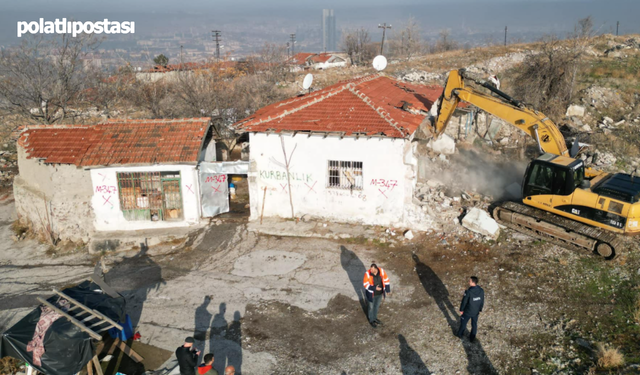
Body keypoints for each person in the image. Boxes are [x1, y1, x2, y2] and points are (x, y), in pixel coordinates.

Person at [362, 262, 391, 328]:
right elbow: (365, 284)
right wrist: (375, 288)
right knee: (371, 307)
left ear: (376, 269)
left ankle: (375, 318)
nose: (370, 270)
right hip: (371, 294)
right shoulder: (367, 274)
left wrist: (387, 290)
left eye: (372, 269)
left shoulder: (382, 271)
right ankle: (371, 320)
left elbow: (386, 280)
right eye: (370, 269)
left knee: (376, 306)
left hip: (380, 294)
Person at [457, 276, 485, 342]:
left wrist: (461, 309)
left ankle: (459, 334)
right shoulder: (481, 290)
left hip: (468, 311)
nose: (468, 282)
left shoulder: (468, 292)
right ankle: (472, 338)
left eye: (469, 281)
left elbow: (464, 301)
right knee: (474, 324)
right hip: (476, 311)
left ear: (473, 282)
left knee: (463, 323)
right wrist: (480, 309)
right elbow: (482, 300)